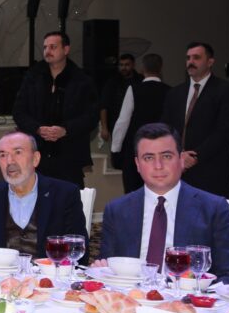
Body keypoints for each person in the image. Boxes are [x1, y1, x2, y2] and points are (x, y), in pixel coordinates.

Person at [96, 123, 229, 283]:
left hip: (188, 296)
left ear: (181, 160)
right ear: (138, 164)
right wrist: (101, 269)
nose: (158, 166)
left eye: (166, 156)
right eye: (148, 158)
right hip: (131, 295)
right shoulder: (117, 210)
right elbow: (108, 266)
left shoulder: (213, 209)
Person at [0, 131, 89, 262]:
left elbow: (77, 252)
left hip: (49, 274)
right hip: (1, 274)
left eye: (18, 152)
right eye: (3, 155)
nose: (9, 161)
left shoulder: (64, 194)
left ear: (35, 159)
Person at [12, 30, 99, 188]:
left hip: (69, 155)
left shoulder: (82, 80)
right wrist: (37, 128)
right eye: (45, 47)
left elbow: (91, 117)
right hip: (37, 153)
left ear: (66, 49)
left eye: (53, 47)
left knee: (69, 199)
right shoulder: (33, 77)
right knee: (35, 199)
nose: (47, 51)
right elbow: (18, 112)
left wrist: (65, 129)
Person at [161, 41, 229, 197]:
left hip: (212, 168)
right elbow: (165, 128)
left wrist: (195, 156)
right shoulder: (175, 92)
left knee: (209, 212)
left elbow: (224, 130)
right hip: (178, 167)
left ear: (210, 62)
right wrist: (176, 154)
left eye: (196, 57)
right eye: (188, 58)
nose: (190, 62)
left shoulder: (224, 90)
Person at [111, 53, 171, 193]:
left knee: (134, 194)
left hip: (137, 150)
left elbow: (123, 122)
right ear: (160, 68)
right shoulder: (170, 91)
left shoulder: (133, 89)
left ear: (142, 69)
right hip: (162, 150)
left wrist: (115, 149)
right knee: (159, 192)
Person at [99, 53, 141, 143]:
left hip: (136, 125)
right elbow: (104, 106)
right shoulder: (112, 82)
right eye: (121, 65)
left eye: (127, 65)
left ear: (133, 65)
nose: (123, 68)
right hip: (116, 125)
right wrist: (104, 128)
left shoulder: (140, 80)